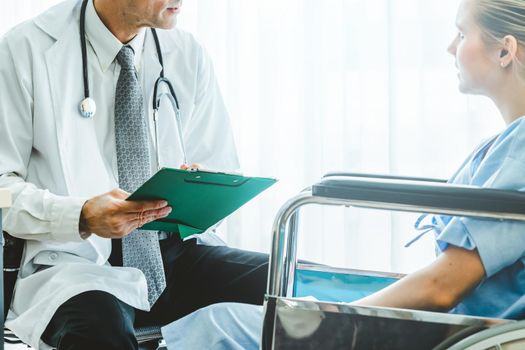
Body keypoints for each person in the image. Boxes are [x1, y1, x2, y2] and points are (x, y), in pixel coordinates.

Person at [166, 0, 525, 348]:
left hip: (470, 335)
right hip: (463, 325)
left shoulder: (520, 148)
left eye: (462, 34)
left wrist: (341, 318)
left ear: (504, 51)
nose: (451, 48)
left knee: (219, 326)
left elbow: (442, 287)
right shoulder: (504, 145)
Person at [0, 0, 269, 349]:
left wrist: (203, 184)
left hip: (174, 254)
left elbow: (219, 163)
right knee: (100, 331)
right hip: (76, 263)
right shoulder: (25, 50)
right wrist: (80, 216)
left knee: (290, 286)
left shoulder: (186, 53)